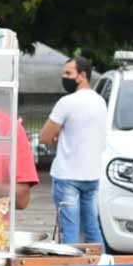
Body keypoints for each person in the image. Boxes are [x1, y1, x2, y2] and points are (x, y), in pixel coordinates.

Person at [39, 56, 107, 245]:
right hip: (92, 175)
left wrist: (59, 134)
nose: (64, 77)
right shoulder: (101, 102)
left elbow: (45, 136)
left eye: (68, 73)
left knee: (69, 233)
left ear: (82, 75)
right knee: (92, 229)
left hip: (67, 176)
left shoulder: (66, 102)